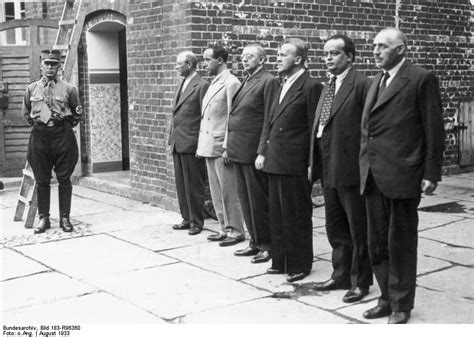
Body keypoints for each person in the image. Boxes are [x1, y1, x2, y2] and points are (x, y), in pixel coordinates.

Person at [359, 28, 444, 324]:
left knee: (401, 243)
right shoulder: (375, 82)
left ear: (401, 49)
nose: (376, 51)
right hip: (372, 174)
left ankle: (401, 304)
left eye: (383, 46)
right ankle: (385, 297)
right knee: (377, 243)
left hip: (403, 174)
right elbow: (367, 129)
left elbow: (434, 129)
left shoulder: (420, 78)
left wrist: (431, 172)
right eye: (374, 46)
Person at [309, 35, 373, 302]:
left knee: (358, 228)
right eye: (325, 54)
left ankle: (361, 281)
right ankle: (341, 274)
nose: (328, 59)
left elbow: (369, 129)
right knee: (335, 226)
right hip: (328, 165)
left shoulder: (361, 84)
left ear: (350, 56)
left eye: (334, 54)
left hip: (350, 169)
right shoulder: (329, 85)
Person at [256, 38, 323, 282]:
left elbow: (315, 129)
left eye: (283, 54)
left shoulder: (311, 86)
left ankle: (300, 263)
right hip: (276, 160)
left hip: (295, 162)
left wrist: (311, 165)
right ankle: (281, 259)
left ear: (298, 60)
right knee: (277, 213)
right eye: (278, 53)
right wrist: (262, 151)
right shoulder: (281, 84)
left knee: (296, 214)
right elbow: (269, 121)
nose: (278, 57)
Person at [226, 43, 279, 263]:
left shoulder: (268, 81)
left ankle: (267, 245)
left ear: (262, 60)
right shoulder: (247, 80)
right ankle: (255, 241)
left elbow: (269, 119)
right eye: (243, 56)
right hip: (239, 150)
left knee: (258, 201)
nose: (244, 60)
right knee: (246, 200)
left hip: (252, 152)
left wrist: (262, 152)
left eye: (249, 57)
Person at [22, 49, 82, 234]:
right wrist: (41, 124)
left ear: (59, 67)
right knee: (41, 179)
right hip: (40, 136)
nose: (50, 67)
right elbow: (26, 113)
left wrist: (61, 125)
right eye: (47, 64)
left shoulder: (69, 88)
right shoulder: (32, 88)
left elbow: (77, 112)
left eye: (53, 64)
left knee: (64, 178)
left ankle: (65, 217)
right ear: (41, 66)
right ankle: (44, 218)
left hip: (62, 135)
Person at [196, 45, 245, 246]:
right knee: (216, 190)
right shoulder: (214, 82)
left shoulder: (231, 82)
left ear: (221, 60)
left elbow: (234, 117)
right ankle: (223, 227)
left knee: (228, 190)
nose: (205, 63)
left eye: (208, 59)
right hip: (209, 144)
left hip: (221, 145)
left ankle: (236, 230)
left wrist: (227, 146)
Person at [170, 51, 210, 235]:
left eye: (179, 64)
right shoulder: (182, 83)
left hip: (192, 142)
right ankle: (186, 217)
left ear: (190, 64)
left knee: (194, 184)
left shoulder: (201, 85)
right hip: (178, 141)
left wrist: (201, 144)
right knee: (181, 183)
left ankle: (197, 221)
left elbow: (205, 117)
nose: (177, 66)